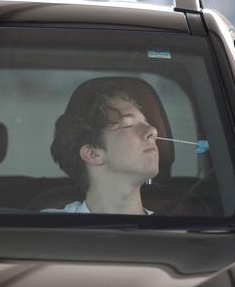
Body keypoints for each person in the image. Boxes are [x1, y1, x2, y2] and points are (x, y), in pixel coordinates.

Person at [47, 81, 159, 214]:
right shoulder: (45, 229)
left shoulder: (176, 232)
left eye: (146, 123)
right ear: (93, 154)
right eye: (128, 125)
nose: (153, 131)